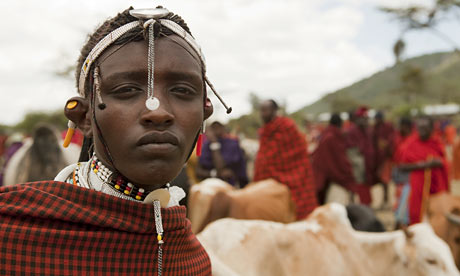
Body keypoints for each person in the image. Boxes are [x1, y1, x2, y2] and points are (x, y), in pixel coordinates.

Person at [0, 6, 227, 274]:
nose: (158, 111)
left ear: (204, 112)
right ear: (84, 117)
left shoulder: (193, 259)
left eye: (182, 90)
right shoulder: (10, 234)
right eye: (127, 90)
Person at [253, 99, 317, 219]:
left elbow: (298, 153)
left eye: (265, 110)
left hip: (292, 176)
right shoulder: (264, 131)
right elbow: (264, 158)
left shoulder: (287, 126)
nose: (262, 114)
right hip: (268, 180)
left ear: (274, 111)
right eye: (261, 110)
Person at [398, 116, 449, 225]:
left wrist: (439, 163)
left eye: (425, 128)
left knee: (437, 216)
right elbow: (402, 166)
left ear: (431, 129)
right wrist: (425, 165)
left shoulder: (436, 143)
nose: (422, 131)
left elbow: (444, 162)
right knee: (415, 215)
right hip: (417, 187)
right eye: (419, 128)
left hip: (436, 188)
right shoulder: (410, 144)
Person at [312, 113, 360, 204]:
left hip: (322, 175)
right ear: (340, 124)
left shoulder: (326, 135)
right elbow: (340, 160)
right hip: (330, 178)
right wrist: (348, 172)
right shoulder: (332, 137)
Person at [197, 121, 248, 188]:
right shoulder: (205, 146)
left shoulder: (232, 145)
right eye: (213, 128)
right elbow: (198, 172)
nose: (216, 131)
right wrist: (215, 174)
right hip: (209, 187)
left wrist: (215, 144)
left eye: (218, 127)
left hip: (230, 187)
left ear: (223, 128)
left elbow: (221, 167)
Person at [345, 106, 375, 205]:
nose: (366, 121)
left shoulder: (367, 131)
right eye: (364, 119)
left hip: (367, 168)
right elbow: (352, 153)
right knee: (359, 191)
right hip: (359, 169)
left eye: (367, 119)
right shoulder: (352, 131)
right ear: (358, 119)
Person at [372, 111, 395, 207]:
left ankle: (386, 200)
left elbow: (391, 141)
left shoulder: (387, 127)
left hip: (386, 158)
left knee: (385, 179)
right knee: (381, 180)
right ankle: (384, 199)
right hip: (378, 158)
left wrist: (386, 146)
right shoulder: (375, 129)